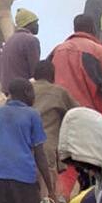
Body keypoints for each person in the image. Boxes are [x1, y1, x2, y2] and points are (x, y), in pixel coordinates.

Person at [49, 14, 102, 115]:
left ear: (75, 28)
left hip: (58, 111)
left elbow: (43, 77)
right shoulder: (99, 51)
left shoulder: (58, 50)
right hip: (88, 114)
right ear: (93, 28)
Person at [31, 60, 77, 194]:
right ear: (52, 75)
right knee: (46, 197)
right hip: (46, 149)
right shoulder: (59, 92)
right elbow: (77, 113)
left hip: (20, 150)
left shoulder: (23, 90)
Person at [0, 9, 42, 88]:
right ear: (28, 24)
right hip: (21, 89)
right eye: (35, 23)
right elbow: (35, 71)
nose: (38, 25)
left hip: (6, 87)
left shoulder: (10, 39)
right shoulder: (31, 40)